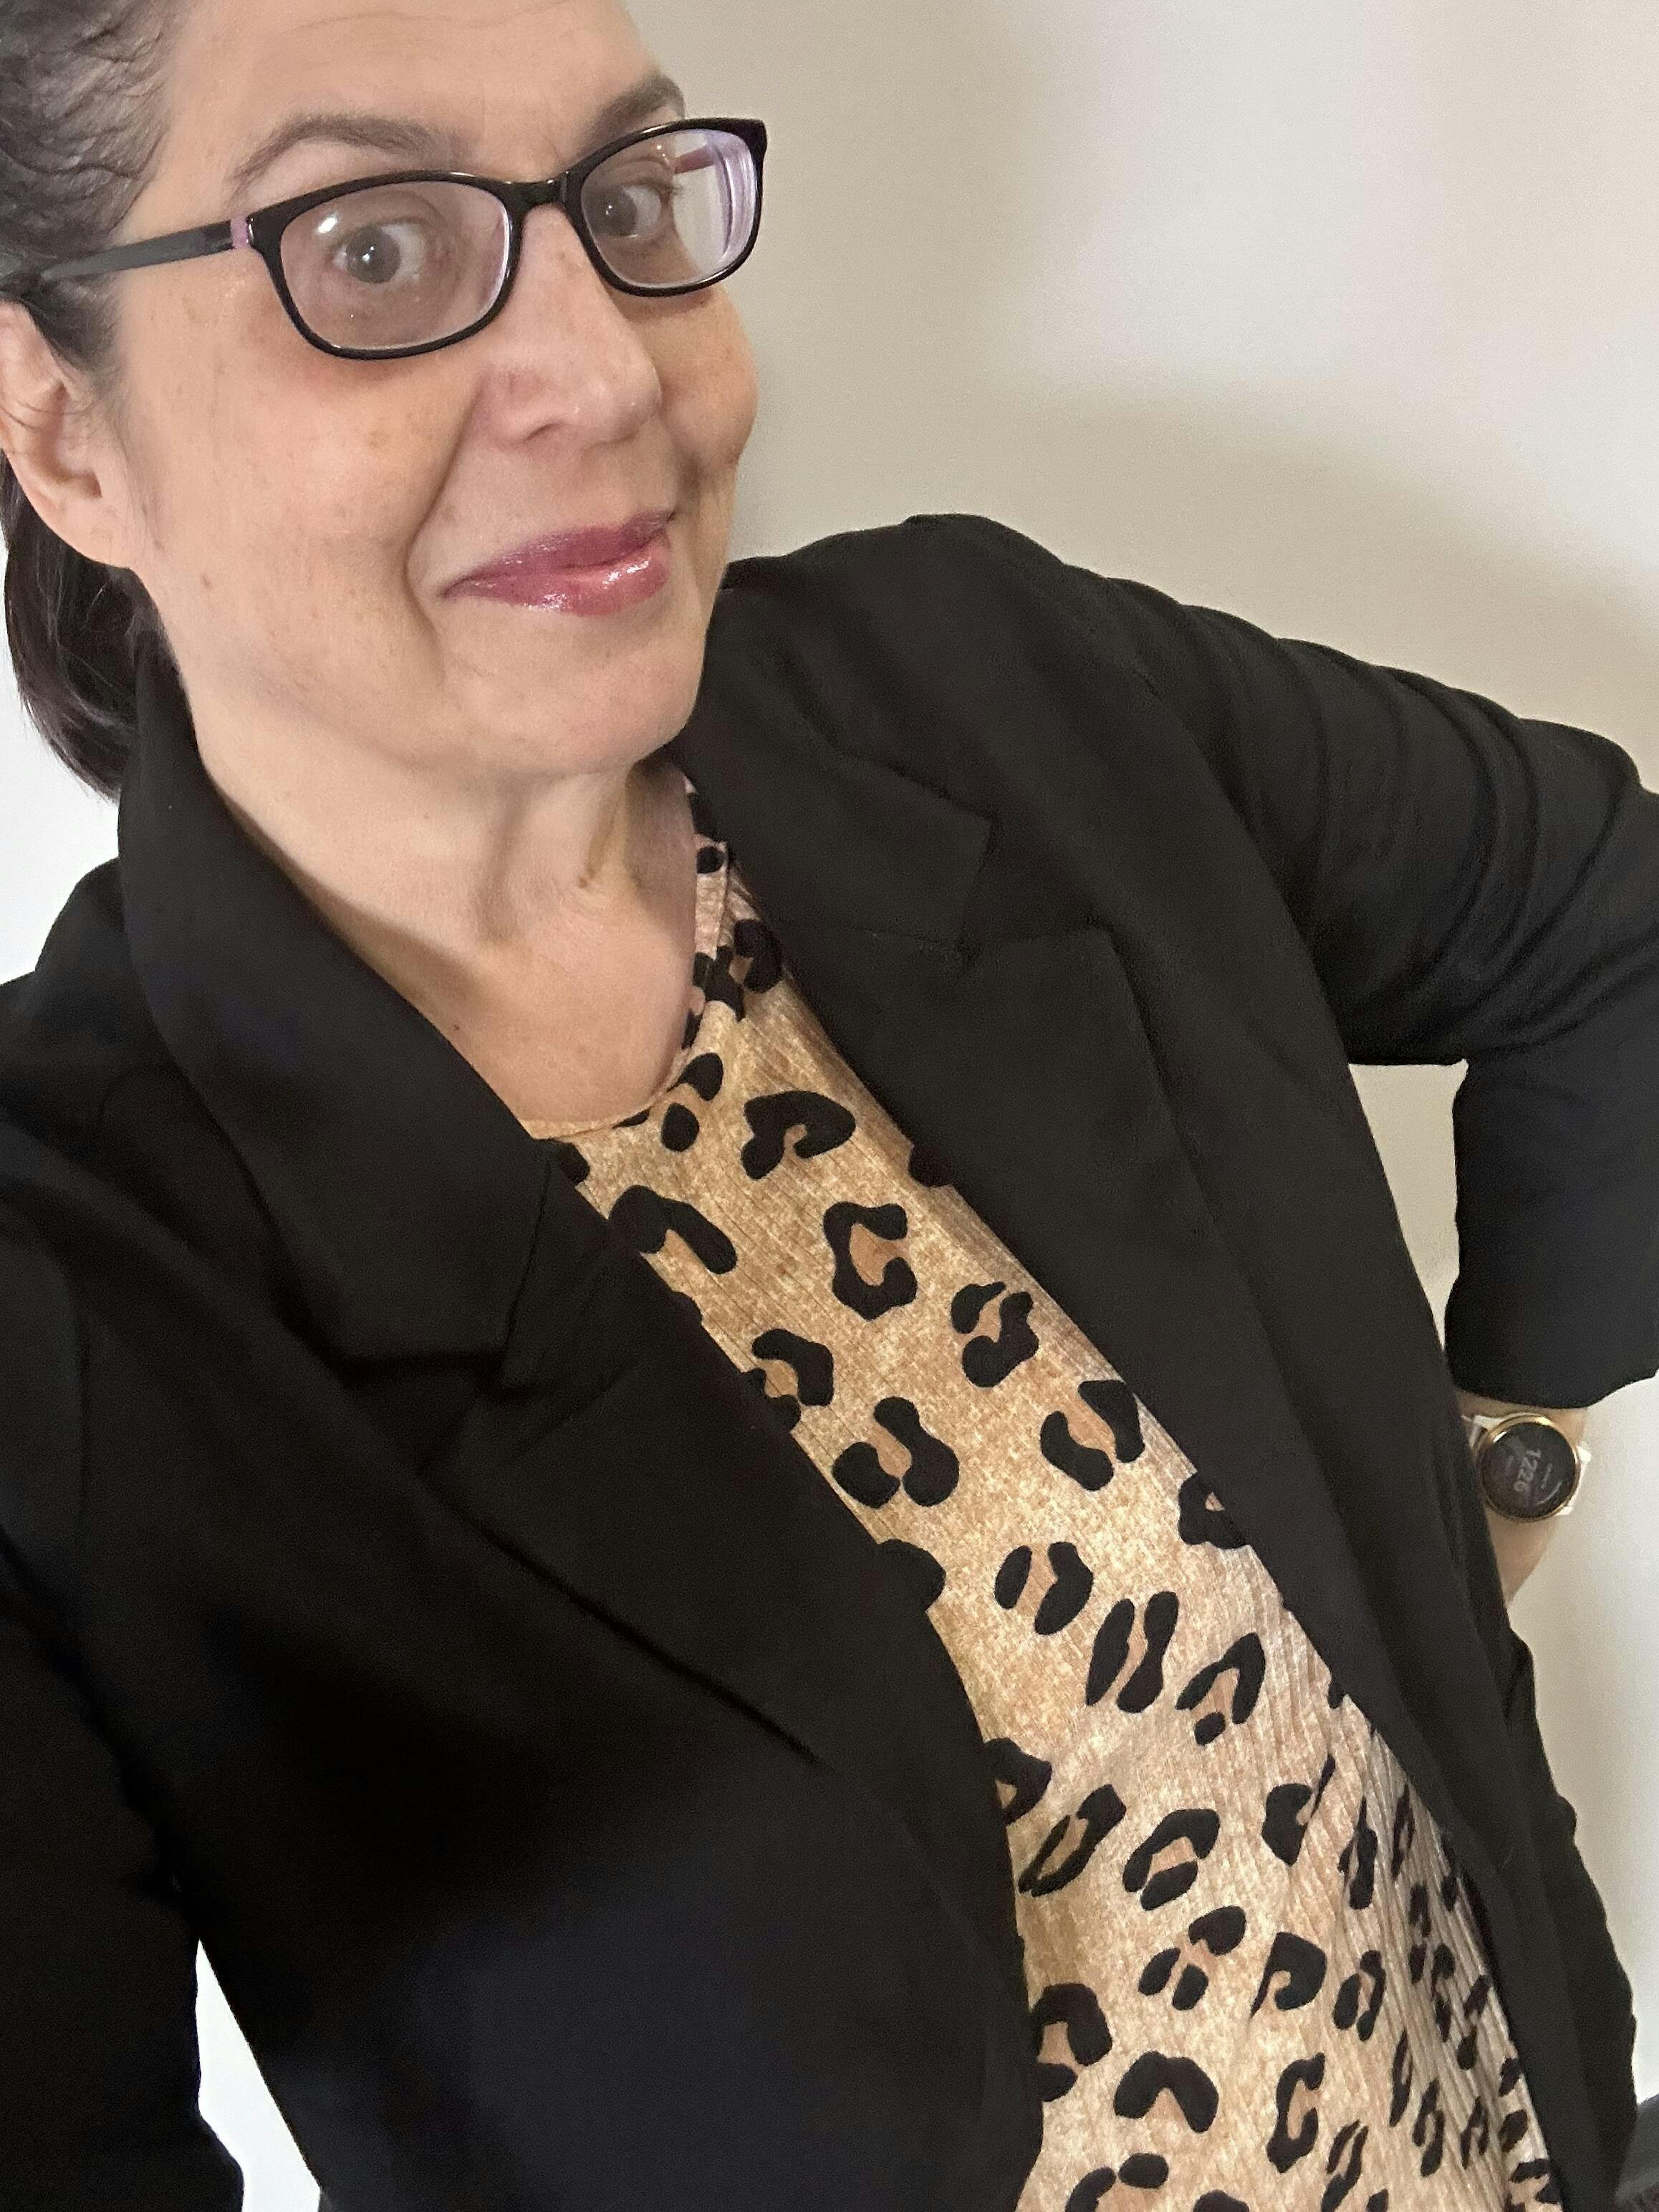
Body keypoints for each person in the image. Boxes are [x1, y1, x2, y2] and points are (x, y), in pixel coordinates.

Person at [0, 1, 1645, 2207]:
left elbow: (1601, 913)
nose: (606, 371)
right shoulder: (63, 1288)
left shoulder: (988, 685)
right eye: (373, 251)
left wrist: (1502, 1450)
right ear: (63, 427)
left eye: (626, 201)